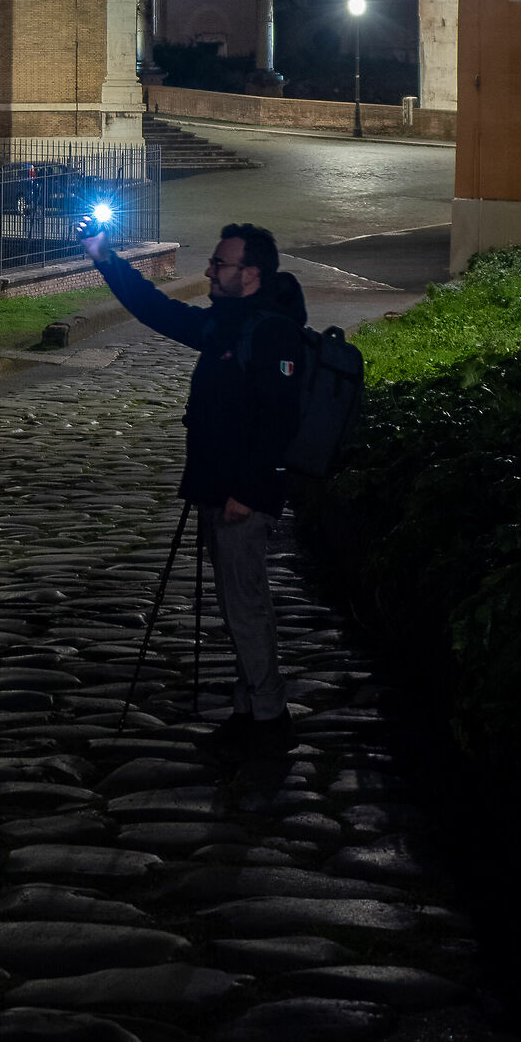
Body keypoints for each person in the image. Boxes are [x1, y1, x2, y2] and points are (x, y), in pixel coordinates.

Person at [78, 215, 308, 759]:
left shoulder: (270, 330)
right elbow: (162, 312)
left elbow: (280, 421)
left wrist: (248, 493)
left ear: (249, 274)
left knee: (245, 605)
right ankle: (248, 709)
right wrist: (108, 260)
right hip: (218, 487)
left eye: (219, 264)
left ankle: (270, 720)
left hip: (241, 498)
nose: (208, 270)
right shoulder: (230, 321)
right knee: (235, 604)